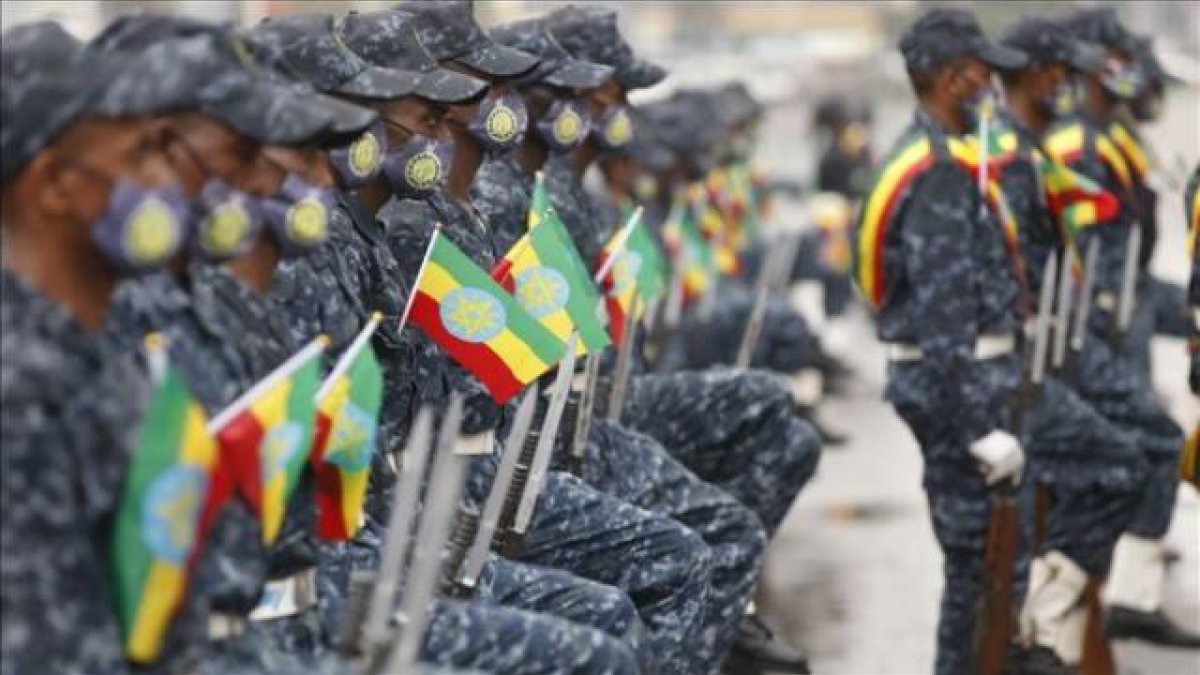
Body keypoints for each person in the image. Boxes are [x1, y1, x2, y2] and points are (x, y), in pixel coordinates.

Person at [1, 20, 209, 675]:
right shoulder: (18, 388)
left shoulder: (88, 348)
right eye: (142, 153)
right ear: (54, 184)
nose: (167, 182)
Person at [852, 9, 1030, 675]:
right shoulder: (938, 170)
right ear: (952, 79)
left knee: (986, 562)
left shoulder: (934, 153)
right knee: (983, 565)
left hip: (952, 378)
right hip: (956, 384)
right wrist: (979, 426)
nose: (991, 80)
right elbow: (946, 315)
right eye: (980, 70)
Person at [990, 18, 1159, 671]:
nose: (1070, 81)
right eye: (1063, 69)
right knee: (1022, 523)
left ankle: (1053, 632)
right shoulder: (1020, 151)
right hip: (1034, 351)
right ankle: (1044, 630)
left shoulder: (1038, 146)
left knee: (1078, 483)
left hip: (1065, 333)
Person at [1047, 7, 1191, 645]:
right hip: (1093, 326)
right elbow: (1080, 260)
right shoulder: (1079, 144)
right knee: (1142, 442)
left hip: (1121, 314)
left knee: (1141, 444)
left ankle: (1117, 584)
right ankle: (1095, 597)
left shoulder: (1110, 136)